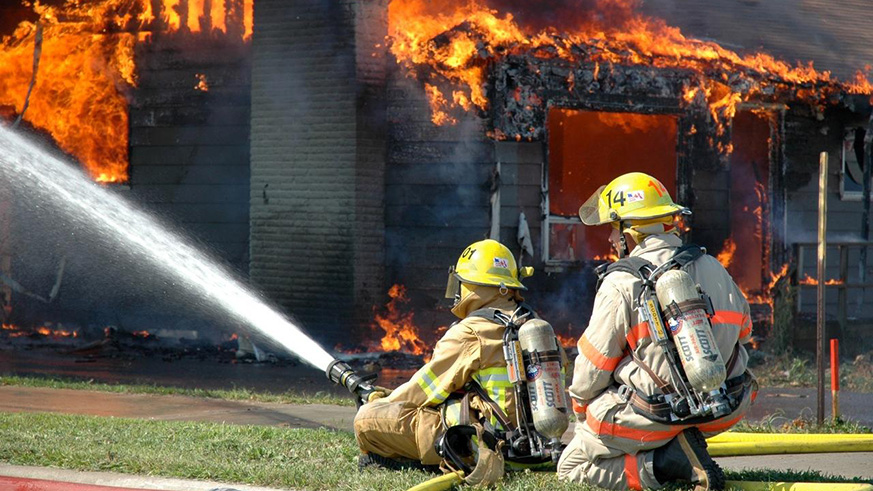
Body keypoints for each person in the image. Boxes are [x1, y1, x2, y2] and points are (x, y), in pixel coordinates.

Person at [557, 172, 757, 491]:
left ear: (629, 232)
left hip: (658, 415)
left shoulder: (620, 283)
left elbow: (591, 373)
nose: (610, 239)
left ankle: (665, 464)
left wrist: (584, 416)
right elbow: (745, 333)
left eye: (612, 229)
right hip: (725, 407)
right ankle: (679, 446)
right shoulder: (714, 267)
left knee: (571, 465)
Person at [354, 239, 535, 473]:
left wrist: (378, 402)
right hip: (532, 447)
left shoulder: (470, 332)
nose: (459, 291)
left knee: (366, 420)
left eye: (463, 283)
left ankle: (428, 459)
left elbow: (422, 391)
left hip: (480, 445)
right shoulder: (534, 327)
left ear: (475, 286)